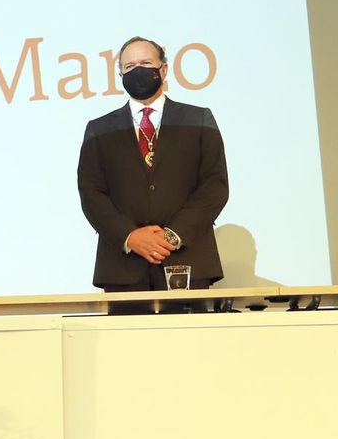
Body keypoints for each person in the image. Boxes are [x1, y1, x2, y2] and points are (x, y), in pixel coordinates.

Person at [77, 36, 229, 299]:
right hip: (123, 270)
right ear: (120, 75)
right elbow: (92, 193)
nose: (137, 71)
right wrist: (130, 236)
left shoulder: (198, 119)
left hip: (186, 264)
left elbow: (214, 186)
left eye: (146, 63)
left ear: (164, 69)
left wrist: (172, 237)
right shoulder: (99, 130)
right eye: (129, 66)